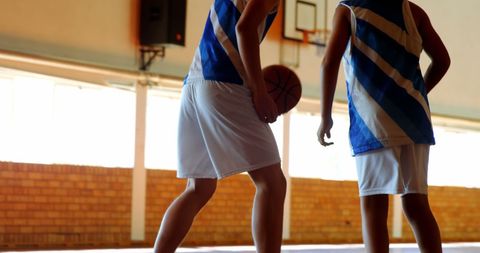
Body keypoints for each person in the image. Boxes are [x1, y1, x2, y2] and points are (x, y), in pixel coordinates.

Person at [153, 0, 286, 252]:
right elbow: (245, 28)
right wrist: (259, 90)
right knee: (272, 183)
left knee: (198, 187)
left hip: (194, 84)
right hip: (224, 84)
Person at [317, 0, 450, 252]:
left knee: (373, 208)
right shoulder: (414, 11)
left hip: (373, 121)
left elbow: (328, 62)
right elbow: (443, 61)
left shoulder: (348, 9)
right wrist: (418, 94)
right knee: (417, 205)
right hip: (415, 120)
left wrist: (325, 116)